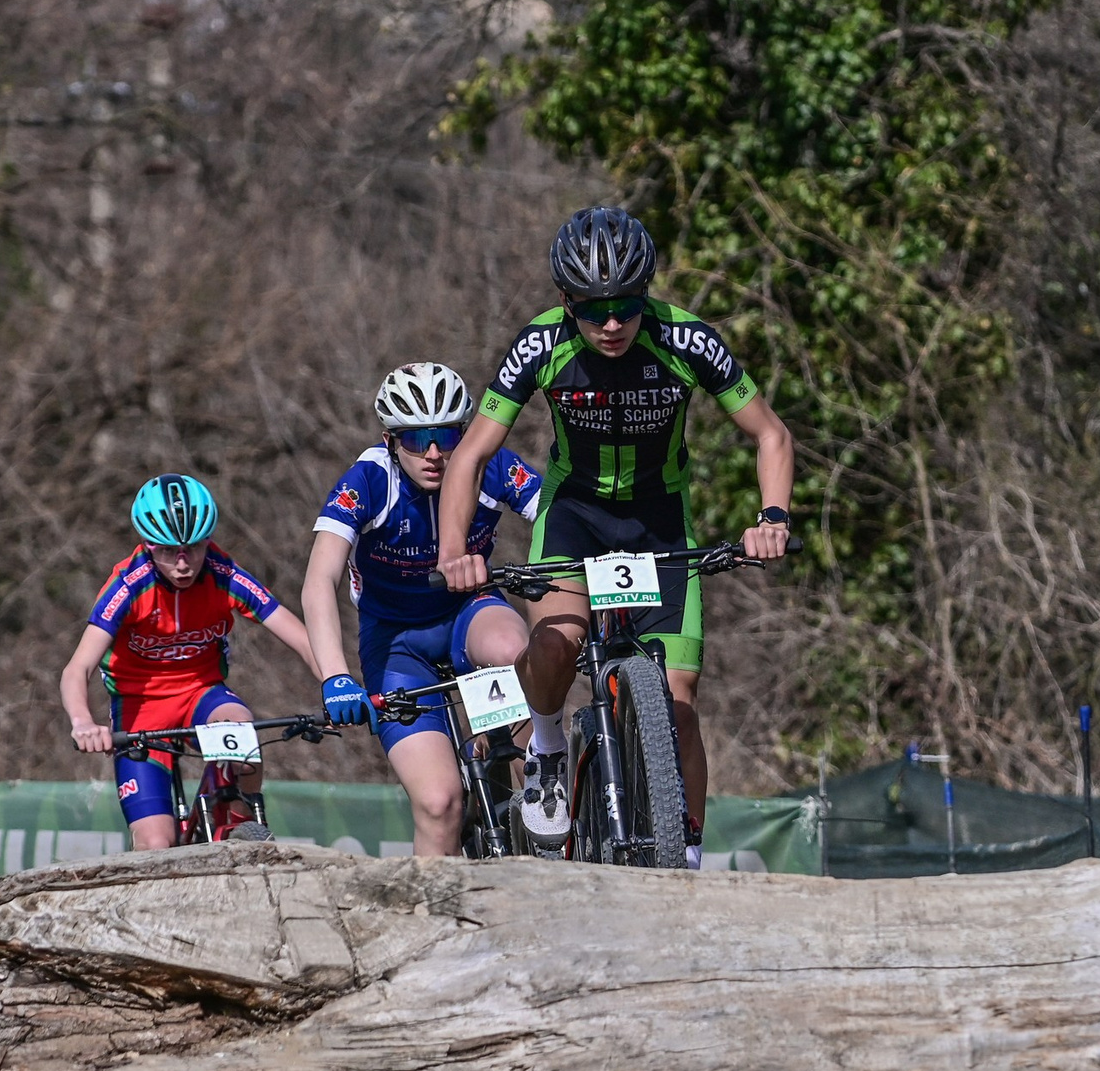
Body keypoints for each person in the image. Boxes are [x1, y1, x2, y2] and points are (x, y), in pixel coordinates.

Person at [436, 205, 795, 867]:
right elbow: (470, 455)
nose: (611, 324)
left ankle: (683, 854)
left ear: (646, 297)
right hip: (575, 516)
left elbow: (770, 433)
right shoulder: (540, 345)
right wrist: (454, 551)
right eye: (593, 309)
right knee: (556, 643)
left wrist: (772, 518)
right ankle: (544, 740)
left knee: (679, 701)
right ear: (566, 301)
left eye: (628, 306)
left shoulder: (687, 340)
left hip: (659, 520)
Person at [301, 362, 544, 856]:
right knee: (439, 805)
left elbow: (558, 519)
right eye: (416, 439)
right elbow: (318, 580)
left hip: (468, 614)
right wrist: (334, 677)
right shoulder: (369, 479)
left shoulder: (488, 463)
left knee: (513, 649)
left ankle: (538, 794)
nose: (434, 453)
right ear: (391, 440)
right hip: (395, 643)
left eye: (447, 435)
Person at [57, 473, 321, 850]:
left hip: (202, 693)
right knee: (155, 844)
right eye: (167, 552)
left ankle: (237, 818)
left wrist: (337, 682)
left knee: (241, 727)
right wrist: (83, 722)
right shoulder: (130, 585)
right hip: (140, 707)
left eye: (194, 548)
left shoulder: (223, 573)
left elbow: (301, 637)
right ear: (148, 545)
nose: (183, 564)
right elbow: (76, 669)